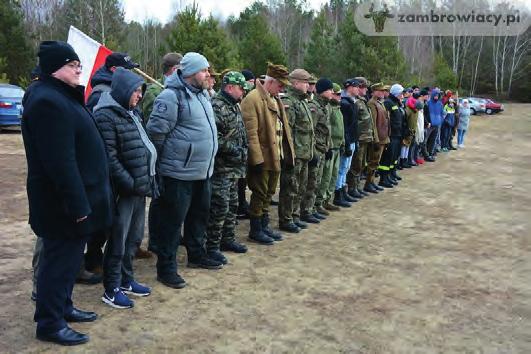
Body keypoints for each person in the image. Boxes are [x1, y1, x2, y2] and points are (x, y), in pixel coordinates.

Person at [22, 41, 113, 345]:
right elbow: (60, 163)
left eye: (78, 64)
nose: (79, 69)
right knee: (58, 263)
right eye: (72, 64)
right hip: (63, 206)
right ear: (55, 68)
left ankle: (63, 307)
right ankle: (49, 323)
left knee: (69, 262)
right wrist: (78, 206)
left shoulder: (60, 95)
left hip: (75, 202)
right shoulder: (47, 101)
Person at [147, 52, 221, 289]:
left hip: (202, 172)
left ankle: (196, 255)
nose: (208, 74)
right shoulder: (170, 97)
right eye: (204, 70)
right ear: (190, 73)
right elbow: (156, 134)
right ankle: (166, 268)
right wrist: (160, 168)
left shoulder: (202, 95)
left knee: (199, 216)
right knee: (172, 222)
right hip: (178, 173)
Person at [93, 68, 157, 308]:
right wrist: (130, 184)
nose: (139, 95)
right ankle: (111, 288)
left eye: (141, 91)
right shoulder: (106, 116)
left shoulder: (132, 112)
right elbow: (109, 158)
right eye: (135, 91)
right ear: (122, 90)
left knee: (134, 237)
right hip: (123, 191)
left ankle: (127, 280)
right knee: (118, 240)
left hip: (139, 188)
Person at [240, 63, 295, 245]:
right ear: (270, 82)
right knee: (259, 192)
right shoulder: (253, 99)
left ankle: (263, 226)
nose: (282, 89)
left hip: (275, 154)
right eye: (280, 85)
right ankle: (256, 230)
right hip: (263, 156)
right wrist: (256, 159)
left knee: (270, 192)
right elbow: (251, 132)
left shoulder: (274, 98)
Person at [206, 71, 250, 264]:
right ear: (230, 87)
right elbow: (215, 138)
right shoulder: (217, 106)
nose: (243, 92)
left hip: (234, 168)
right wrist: (235, 150)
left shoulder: (233, 106)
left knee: (232, 204)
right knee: (219, 207)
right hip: (221, 168)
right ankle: (212, 246)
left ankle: (228, 239)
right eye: (241, 88)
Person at [142, 52, 182, 257]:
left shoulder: (177, 91)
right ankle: (156, 241)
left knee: (171, 200)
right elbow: (152, 123)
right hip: (160, 153)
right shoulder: (155, 91)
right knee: (159, 199)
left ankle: (168, 235)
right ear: (175, 70)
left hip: (174, 155)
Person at [278, 68, 314, 233]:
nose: (308, 86)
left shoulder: (301, 101)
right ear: (296, 83)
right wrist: (289, 155)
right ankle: (286, 219)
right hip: (295, 154)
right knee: (290, 188)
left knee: (300, 187)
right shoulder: (290, 102)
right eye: (306, 82)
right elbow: (288, 132)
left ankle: (294, 215)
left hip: (304, 153)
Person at [303, 77, 334, 223]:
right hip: (315, 150)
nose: (332, 92)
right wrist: (314, 152)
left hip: (323, 148)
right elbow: (312, 131)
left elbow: (326, 130)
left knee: (317, 181)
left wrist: (328, 148)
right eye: (330, 89)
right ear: (322, 91)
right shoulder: (314, 107)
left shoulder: (325, 106)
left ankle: (313, 207)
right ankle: (306, 210)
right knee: (311, 182)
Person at [347, 76, 378, 196]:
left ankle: (356, 187)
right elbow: (355, 122)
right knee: (356, 164)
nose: (366, 90)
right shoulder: (356, 102)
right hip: (359, 138)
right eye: (364, 87)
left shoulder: (362, 101)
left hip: (365, 137)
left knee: (361, 164)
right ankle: (352, 188)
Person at [335, 78, 360, 207]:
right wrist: (347, 143)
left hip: (352, 139)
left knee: (346, 168)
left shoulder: (352, 102)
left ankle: (343, 191)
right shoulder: (345, 103)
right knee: (342, 168)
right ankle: (338, 194)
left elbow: (354, 125)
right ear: (349, 88)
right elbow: (344, 127)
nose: (358, 89)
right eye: (356, 86)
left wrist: (356, 140)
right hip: (347, 140)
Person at [319, 83, 344, 212]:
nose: (340, 96)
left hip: (337, 146)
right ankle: (320, 201)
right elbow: (327, 128)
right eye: (337, 94)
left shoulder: (338, 108)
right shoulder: (328, 108)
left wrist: (343, 143)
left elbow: (341, 128)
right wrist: (328, 146)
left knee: (333, 175)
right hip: (330, 146)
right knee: (326, 176)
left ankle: (328, 199)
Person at [379, 84, 405, 187]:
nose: (402, 95)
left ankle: (390, 175)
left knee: (394, 156)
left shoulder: (396, 103)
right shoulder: (388, 103)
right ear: (396, 93)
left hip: (397, 134)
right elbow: (386, 121)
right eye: (401, 93)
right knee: (387, 157)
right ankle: (383, 178)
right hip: (391, 135)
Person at [367, 83, 391, 189]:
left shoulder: (380, 103)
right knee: (373, 161)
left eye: (383, 91)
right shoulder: (372, 104)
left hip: (383, 137)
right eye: (380, 91)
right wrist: (376, 139)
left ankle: (372, 182)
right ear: (374, 91)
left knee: (377, 161)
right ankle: (369, 182)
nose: (382, 93)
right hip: (378, 138)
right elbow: (373, 123)